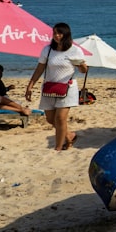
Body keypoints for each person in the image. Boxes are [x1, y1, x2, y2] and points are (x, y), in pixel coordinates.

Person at [24, 22, 88, 151]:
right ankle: (69, 135)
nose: (57, 36)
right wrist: (30, 86)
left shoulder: (75, 50)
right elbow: (39, 69)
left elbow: (83, 70)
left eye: (60, 33)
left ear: (66, 35)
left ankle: (58, 148)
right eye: (55, 33)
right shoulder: (47, 50)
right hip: (49, 88)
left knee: (60, 118)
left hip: (67, 88)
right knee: (50, 119)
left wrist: (81, 65)